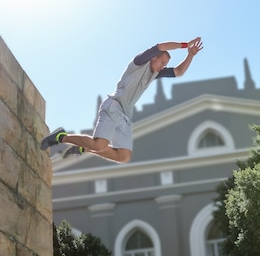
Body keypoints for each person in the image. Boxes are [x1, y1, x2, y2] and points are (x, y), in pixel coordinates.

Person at [41, 37, 203, 163]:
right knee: (99, 144)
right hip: (114, 106)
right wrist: (185, 45)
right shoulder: (139, 62)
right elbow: (161, 46)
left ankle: (86, 149)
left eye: (165, 64)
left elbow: (179, 71)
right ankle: (60, 137)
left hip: (125, 116)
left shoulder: (155, 74)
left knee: (123, 156)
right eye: (162, 61)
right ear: (153, 57)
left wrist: (190, 55)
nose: (163, 66)